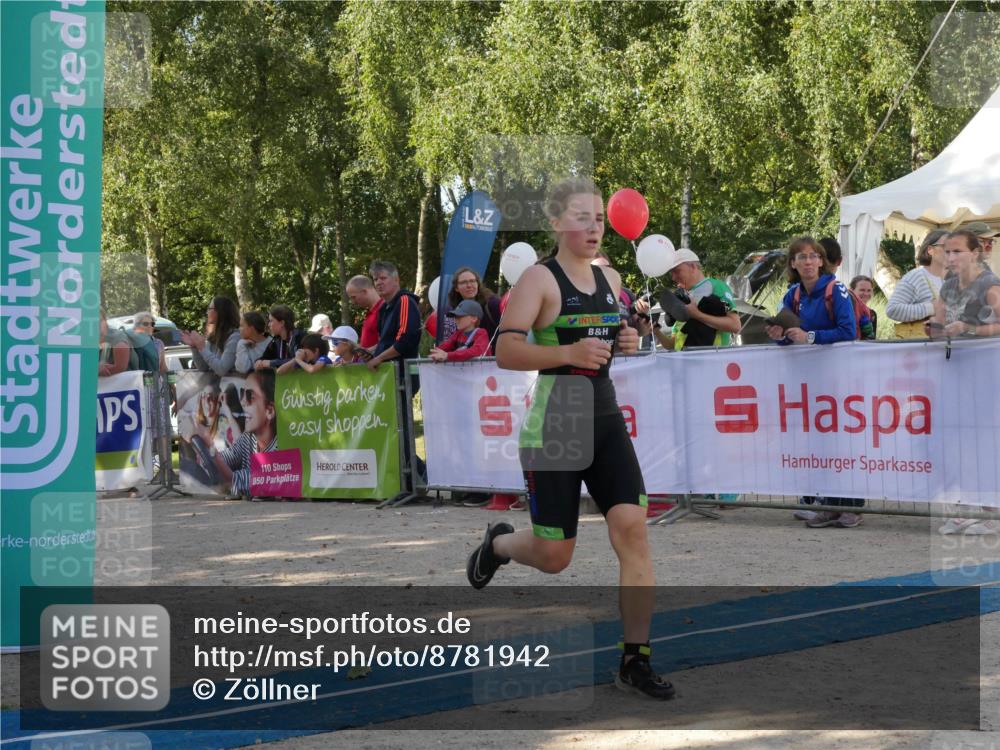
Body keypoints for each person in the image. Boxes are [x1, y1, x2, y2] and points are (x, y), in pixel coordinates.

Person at [466, 177, 675, 700]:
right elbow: (507, 352)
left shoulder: (611, 275)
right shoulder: (538, 280)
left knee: (633, 530)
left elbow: (607, 341)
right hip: (555, 420)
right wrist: (566, 354)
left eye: (600, 218)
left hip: (605, 419)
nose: (594, 227)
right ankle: (499, 542)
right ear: (557, 222)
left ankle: (635, 659)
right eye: (582, 217)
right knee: (556, 557)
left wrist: (627, 340)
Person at [766, 237, 863, 529]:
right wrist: (778, 336)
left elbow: (849, 331)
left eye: (812, 256)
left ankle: (851, 506)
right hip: (809, 382)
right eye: (801, 257)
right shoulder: (793, 294)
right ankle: (827, 504)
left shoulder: (838, 290)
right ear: (793, 263)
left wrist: (810, 337)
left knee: (842, 441)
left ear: (821, 261)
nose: (807, 261)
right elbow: (787, 335)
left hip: (840, 378)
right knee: (818, 442)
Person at [928, 230, 1000, 535]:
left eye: (957, 251)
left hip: (987, 370)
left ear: (975, 253)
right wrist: (936, 329)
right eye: (947, 251)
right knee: (959, 441)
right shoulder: (947, 285)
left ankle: (992, 512)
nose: (950, 257)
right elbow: (939, 321)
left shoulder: (989, 283)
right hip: (956, 370)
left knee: (986, 440)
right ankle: (964, 507)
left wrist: (970, 329)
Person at [194, 369, 277, 501]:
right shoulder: (248, 438)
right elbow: (226, 459)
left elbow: (239, 481)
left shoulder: (280, 448)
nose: (242, 401)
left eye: (250, 396)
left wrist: (208, 443)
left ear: (270, 411)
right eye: (242, 393)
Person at [652, 248, 740, 351]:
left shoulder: (716, 286)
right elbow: (673, 345)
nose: (673, 277)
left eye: (677, 271)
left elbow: (735, 325)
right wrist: (655, 330)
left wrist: (697, 315)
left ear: (693, 267)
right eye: (672, 273)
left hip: (711, 361)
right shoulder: (681, 297)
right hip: (684, 362)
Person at [886, 230, 948, 338]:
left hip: (944, 349)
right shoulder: (916, 277)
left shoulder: (949, 279)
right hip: (920, 350)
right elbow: (892, 310)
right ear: (930, 250)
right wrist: (931, 307)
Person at [441, 267, 503, 344]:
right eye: (463, 282)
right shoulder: (455, 309)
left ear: (478, 284)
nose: (469, 285)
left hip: (495, 355)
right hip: (468, 354)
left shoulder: (492, 304)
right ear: (456, 288)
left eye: (472, 281)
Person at [183, 296, 241, 376]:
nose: (207, 312)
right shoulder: (214, 337)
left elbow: (221, 369)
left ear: (220, 312)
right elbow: (203, 367)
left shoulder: (235, 337)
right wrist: (195, 347)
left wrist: (202, 348)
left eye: (210, 309)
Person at [256, 304, 305, 370]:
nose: (269, 324)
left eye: (271, 321)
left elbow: (299, 361)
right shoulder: (275, 341)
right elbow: (264, 358)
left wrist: (272, 363)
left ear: (282, 323)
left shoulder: (301, 337)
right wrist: (259, 362)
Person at [346, 275, 384, 350]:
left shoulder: (384, 309)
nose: (353, 302)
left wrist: (369, 351)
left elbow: (390, 340)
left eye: (354, 297)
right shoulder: (370, 312)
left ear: (365, 291)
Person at [98, 309, 131, 377]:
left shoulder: (118, 340)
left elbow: (119, 368)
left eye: (99, 321)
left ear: (105, 321)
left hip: (125, 384)